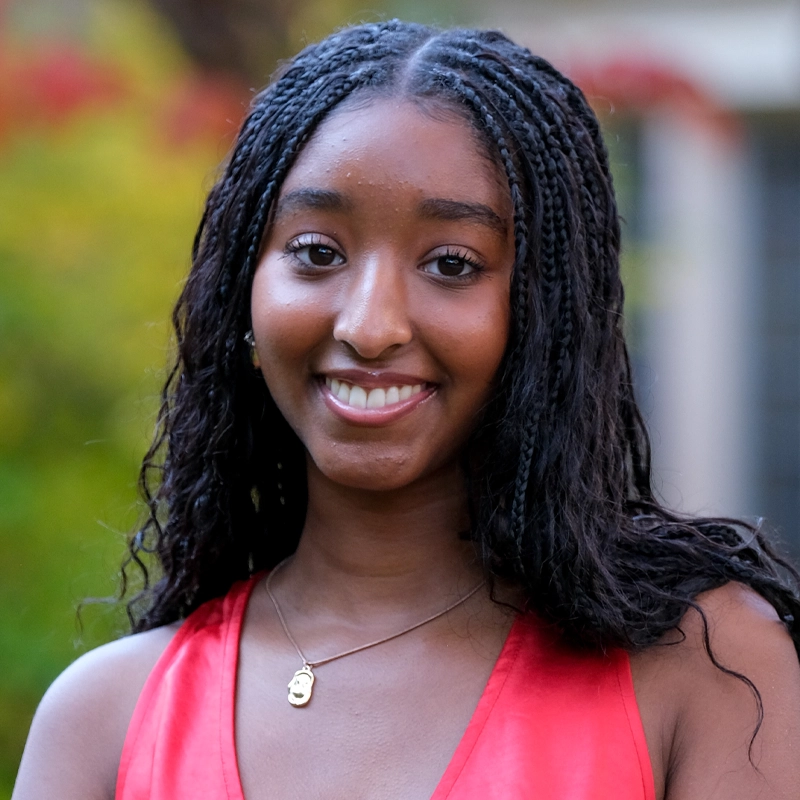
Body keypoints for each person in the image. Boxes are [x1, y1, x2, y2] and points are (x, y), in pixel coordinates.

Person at [12, 20, 800, 800]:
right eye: (317, 252)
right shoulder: (105, 721)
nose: (369, 324)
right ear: (242, 294)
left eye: (451, 264)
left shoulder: (704, 669)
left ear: (543, 312)